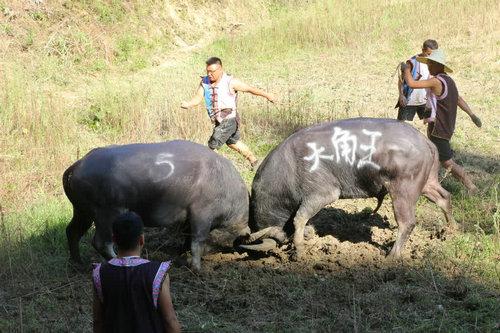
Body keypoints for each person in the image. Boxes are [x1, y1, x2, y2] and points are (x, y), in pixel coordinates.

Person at [402, 49, 481, 193]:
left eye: (431, 64)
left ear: (439, 65)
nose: (429, 66)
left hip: (438, 128)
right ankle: (428, 184)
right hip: (447, 127)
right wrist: (471, 114)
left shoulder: (435, 81)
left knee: (447, 161)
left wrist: (406, 69)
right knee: (434, 156)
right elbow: (458, 99)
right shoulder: (449, 81)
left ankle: (471, 186)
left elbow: (412, 83)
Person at [92, 212, 181, 333]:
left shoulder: (99, 273)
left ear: (114, 240)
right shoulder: (158, 273)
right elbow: (169, 320)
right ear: (142, 239)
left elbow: (98, 320)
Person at [181, 57, 276, 169]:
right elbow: (197, 98)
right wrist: (188, 104)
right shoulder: (205, 82)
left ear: (220, 69)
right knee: (232, 142)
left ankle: (212, 171)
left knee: (212, 146)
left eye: (212, 71)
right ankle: (254, 162)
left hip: (229, 120)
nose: (209, 74)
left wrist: (267, 95)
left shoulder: (231, 82)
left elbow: (250, 89)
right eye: (208, 71)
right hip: (219, 121)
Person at [396, 39, 438, 121]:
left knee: (431, 124)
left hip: (426, 101)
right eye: (428, 54)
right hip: (409, 101)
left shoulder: (435, 63)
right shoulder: (412, 62)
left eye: (433, 54)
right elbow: (401, 80)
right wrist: (401, 95)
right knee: (402, 126)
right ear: (423, 50)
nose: (431, 57)